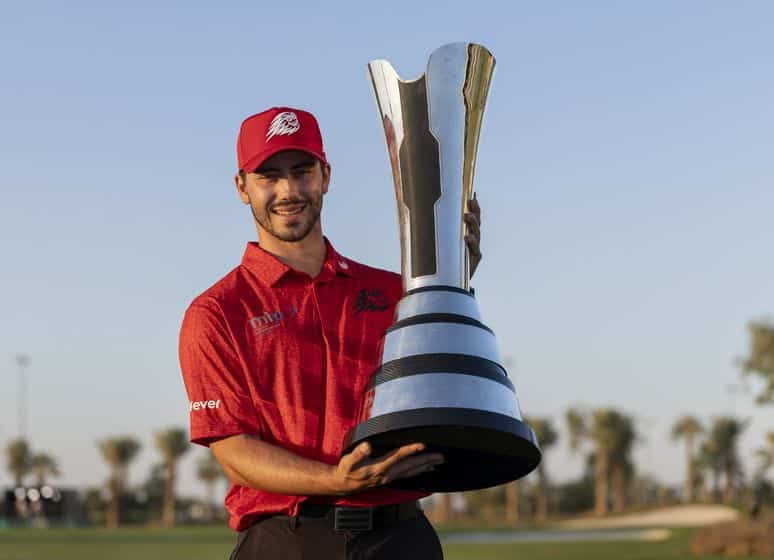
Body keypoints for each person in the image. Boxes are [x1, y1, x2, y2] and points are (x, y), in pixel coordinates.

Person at [179, 106, 482, 559]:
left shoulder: (391, 291)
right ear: (242, 187)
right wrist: (337, 481)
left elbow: (435, 381)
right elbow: (234, 450)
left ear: (325, 176)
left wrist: (449, 285)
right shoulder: (217, 312)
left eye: (302, 171)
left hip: (400, 537)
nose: (288, 191)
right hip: (288, 540)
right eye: (269, 176)